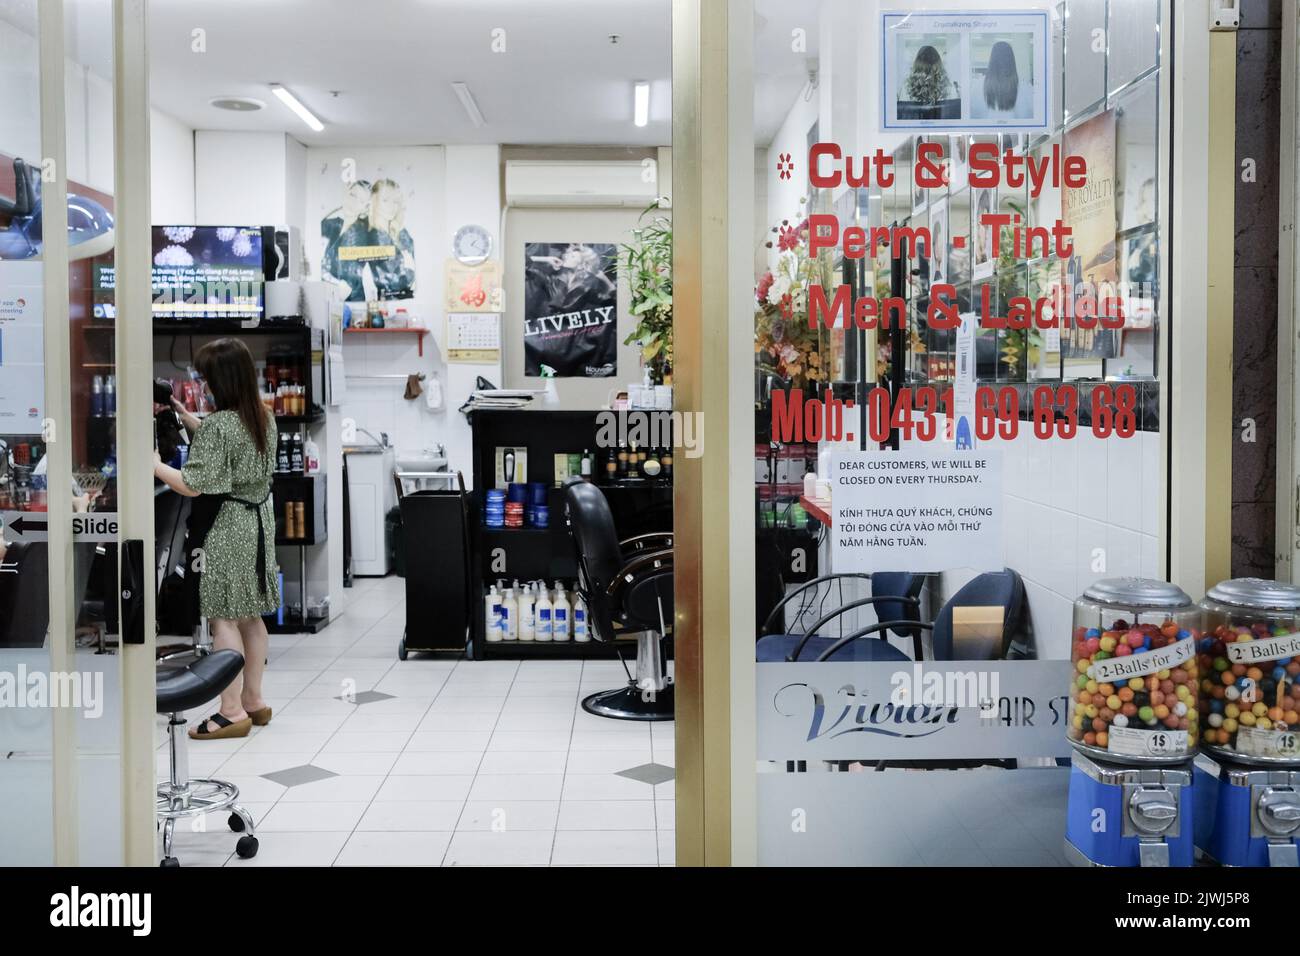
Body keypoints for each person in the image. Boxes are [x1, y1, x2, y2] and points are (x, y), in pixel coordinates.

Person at [153, 338, 280, 739]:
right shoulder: (261, 415)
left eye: (206, 377)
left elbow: (193, 484)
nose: (202, 384)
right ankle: (254, 702)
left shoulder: (222, 426)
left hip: (226, 527)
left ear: (220, 380)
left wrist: (153, 465)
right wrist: (185, 414)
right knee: (251, 615)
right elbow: (220, 437)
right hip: (257, 521)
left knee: (223, 617)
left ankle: (229, 711)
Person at [972, 40, 1035, 120]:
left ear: (992, 60)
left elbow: (973, 114)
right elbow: (1029, 115)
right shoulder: (1024, 86)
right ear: (1012, 60)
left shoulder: (977, 85)